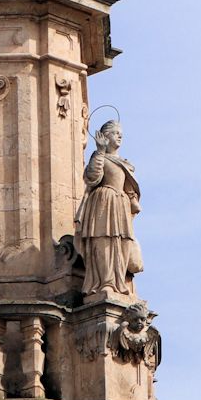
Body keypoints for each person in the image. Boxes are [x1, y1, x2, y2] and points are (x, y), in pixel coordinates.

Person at [74, 120, 143, 300]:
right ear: (104, 137)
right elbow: (92, 178)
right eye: (114, 132)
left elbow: (130, 188)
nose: (119, 135)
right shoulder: (100, 157)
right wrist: (100, 151)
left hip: (120, 204)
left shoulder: (125, 163)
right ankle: (104, 281)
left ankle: (119, 281)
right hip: (103, 202)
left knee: (122, 242)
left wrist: (132, 199)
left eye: (121, 133)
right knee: (103, 239)